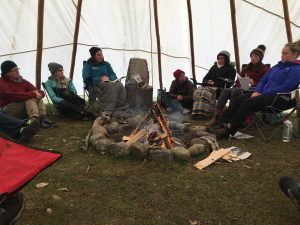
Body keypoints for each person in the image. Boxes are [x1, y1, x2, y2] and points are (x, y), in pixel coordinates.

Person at [209, 39, 300, 139]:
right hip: (265, 94)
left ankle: (228, 130)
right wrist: (257, 91)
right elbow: (263, 80)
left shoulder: (297, 69)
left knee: (248, 102)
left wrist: (263, 93)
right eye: (282, 53)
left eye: (285, 53)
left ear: (295, 54)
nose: (282, 55)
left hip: (280, 99)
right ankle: (222, 124)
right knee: (238, 99)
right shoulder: (277, 66)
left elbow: (286, 87)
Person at [205, 45, 270, 126]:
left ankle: (231, 117)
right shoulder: (247, 67)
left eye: (255, 56)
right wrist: (238, 84)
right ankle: (216, 117)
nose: (253, 58)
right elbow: (239, 80)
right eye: (251, 56)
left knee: (235, 92)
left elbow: (266, 83)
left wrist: (254, 83)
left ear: (260, 58)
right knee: (226, 90)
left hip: (255, 91)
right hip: (243, 88)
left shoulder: (264, 69)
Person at [0, 60, 54, 128]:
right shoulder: (2, 82)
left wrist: (35, 94)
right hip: (8, 111)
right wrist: (32, 94)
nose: (18, 71)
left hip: (22, 106)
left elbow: (40, 92)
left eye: (18, 69)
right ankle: (34, 121)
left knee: (36, 97)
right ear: (7, 73)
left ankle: (43, 119)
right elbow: (11, 96)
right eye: (14, 70)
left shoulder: (23, 81)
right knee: (31, 98)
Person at [82, 47, 132, 119]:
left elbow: (112, 74)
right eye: (98, 55)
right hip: (96, 85)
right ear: (93, 56)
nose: (101, 56)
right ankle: (107, 110)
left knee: (119, 84)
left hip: (108, 82)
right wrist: (99, 78)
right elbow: (86, 78)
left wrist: (110, 78)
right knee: (111, 86)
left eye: (101, 54)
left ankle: (120, 107)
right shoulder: (88, 65)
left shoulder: (106, 64)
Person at [191, 50, 236, 119]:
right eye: (219, 58)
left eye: (222, 58)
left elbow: (230, 83)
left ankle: (205, 113)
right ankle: (196, 112)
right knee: (198, 91)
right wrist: (207, 81)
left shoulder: (231, 69)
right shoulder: (214, 67)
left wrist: (214, 83)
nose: (220, 60)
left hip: (220, 88)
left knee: (204, 93)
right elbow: (205, 78)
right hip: (208, 86)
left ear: (226, 59)